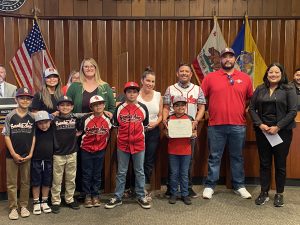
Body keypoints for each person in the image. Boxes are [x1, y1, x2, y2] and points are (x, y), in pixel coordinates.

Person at [201, 47, 253, 200]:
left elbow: (251, 98)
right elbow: (201, 99)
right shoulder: (210, 77)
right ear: (221, 59)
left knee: (237, 157)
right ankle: (210, 186)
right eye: (225, 57)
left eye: (231, 57)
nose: (228, 59)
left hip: (238, 125)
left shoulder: (245, 78)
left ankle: (239, 185)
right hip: (216, 125)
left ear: (235, 59)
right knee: (214, 157)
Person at [249, 63, 297, 207]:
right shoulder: (260, 88)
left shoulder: (289, 89)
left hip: (282, 132)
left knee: (280, 164)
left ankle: (279, 194)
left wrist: (278, 126)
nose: (274, 75)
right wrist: (261, 125)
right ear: (267, 73)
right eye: (271, 72)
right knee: (264, 163)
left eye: (277, 72)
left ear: (282, 74)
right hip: (263, 132)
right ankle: (264, 192)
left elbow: (292, 111)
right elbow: (251, 108)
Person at [105, 81, 151, 209]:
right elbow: (115, 126)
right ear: (125, 93)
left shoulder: (143, 107)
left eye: (134, 92)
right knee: (121, 172)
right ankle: (118, 196)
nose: (132, 94)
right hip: (123, 144)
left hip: (138, 144)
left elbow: (145, 126)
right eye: (129, 92)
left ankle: (141, 195)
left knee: (139, 171)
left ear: (138, 93)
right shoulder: (119, 108)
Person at [162, 63, 206, 198]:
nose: (184, 73)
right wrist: (165, 121)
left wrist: (196, 121)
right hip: (174, 129)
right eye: (182, 71)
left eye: (187, 71)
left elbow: (202, 107)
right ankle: (171, 188)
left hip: (189, 129)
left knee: (189, 160)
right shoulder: (171, 89)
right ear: (177, 74)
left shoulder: (197, 89)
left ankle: (187, 187)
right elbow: (165, 107)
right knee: (172, 160)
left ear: (191, 74)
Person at [3, 87, 35, 220]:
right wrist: (13, 153)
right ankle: (13, 208)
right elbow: (6, 136)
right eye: (22, 98)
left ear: (30, 101)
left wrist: (31, 153)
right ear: (17, 99)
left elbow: (34, 136)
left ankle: (23, 206)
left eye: (28, 98)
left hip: (27, 155)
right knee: (12, 183)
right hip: (12, 156)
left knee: (25, 182)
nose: (25, 100)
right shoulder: (10, 116)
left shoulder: (32, 117)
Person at [79, 95, 112, 208]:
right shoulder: (85, 119)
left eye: (100, 104)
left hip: (100, 150)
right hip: (86, 150)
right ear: (91, 107)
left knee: (97, 174)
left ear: (104, 105)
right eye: (95, 105)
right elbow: (79, 133)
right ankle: (87, 195)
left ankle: (95, 194)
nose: (98, 106)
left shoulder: (108, 119)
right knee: (87, 173)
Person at [51, 96, 81, 213]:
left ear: (72, 107)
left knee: (71, 178)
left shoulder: (75, 118)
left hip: (72, 153)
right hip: (58, 154)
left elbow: (81, 127)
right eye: (62, 105)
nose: (65, 107)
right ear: (58, 107)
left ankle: (69, 199)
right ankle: (55, 201)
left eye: (68, 105)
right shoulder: (53, 119)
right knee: (57, 179)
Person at [166, 96, 197, 205]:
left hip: (186, 151)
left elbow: (194, 133)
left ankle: (185, 194)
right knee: (174, 173)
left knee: (184, 173)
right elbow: (166, 133)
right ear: (173, 107)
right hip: (173, 151)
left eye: (183, 105)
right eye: (177, 105)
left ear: (186, 106)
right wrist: (168, 134)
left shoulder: (190, 118)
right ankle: (173, 193)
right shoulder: (169, 119)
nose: (180, 107)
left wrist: (192, 134)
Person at [31, 111, 54, 215]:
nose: (43, 125)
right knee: (36, 181)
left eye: (46, 122)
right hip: (36, 159)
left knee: (47, 181)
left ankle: (44, 201)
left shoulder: (52, 129)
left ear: (50, 122)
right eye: (40, 123)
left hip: (48, 160)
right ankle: (36, 202)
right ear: (36, 124)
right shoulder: (35, 130)